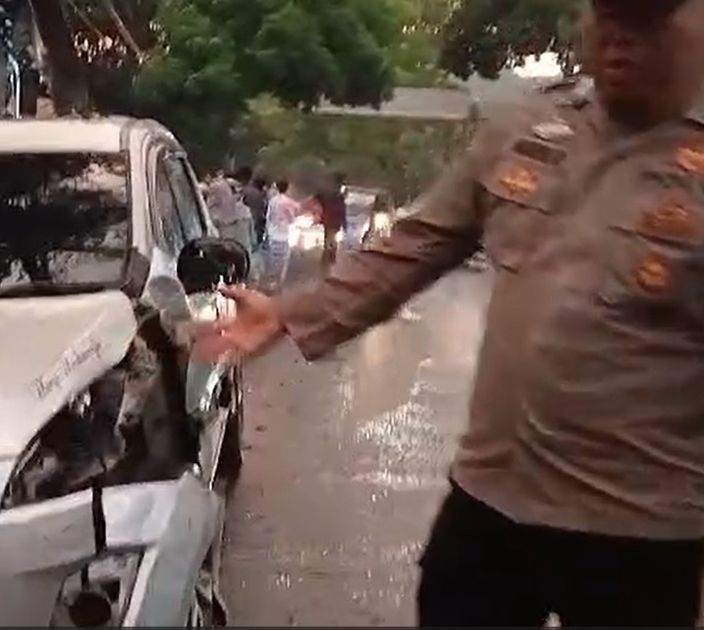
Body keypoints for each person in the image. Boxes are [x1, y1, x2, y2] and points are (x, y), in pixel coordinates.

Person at [194, 0, 704, 625]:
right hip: (494, 496)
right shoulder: (531, 127)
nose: (621, 39)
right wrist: (290, 313)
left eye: (648, 21)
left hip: (637, 529)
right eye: (609, 17)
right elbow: (419, 241)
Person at [262, 179, 301, 292]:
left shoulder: (272, 200)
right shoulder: (289, 202)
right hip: (284, 234)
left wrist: (267, 231)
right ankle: (279, 283)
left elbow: (268, 216)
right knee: (283, 260)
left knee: (273, 259)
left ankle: (271, 282)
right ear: (287, 188)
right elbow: (294, 216)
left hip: (272, 233)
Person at [206, 169, 256, 256]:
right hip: (232, 226)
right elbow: (209, 207)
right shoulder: (218, 187)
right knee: (237, 254)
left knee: (234, 255)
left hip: (233, 226)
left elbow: (209, 207)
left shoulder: (218, 186)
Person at [315, 170, 348, 268]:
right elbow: (342, 208)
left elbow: (320, 197)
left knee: (328, 236)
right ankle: (331, 255)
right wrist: (344, 223)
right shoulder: (341, 193)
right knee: (332, 236)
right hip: (336, 218)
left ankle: (328, 254)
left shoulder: (329, 191)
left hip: (329, 216)